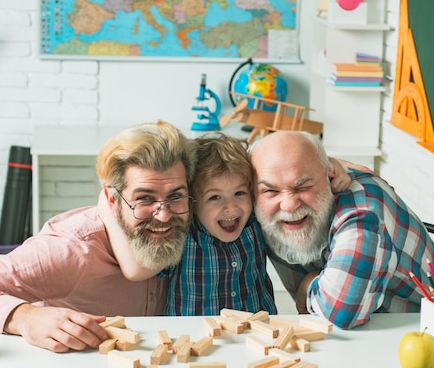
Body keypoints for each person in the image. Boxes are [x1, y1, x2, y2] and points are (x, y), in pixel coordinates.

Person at [0, 120, 197, 352]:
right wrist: (25, 318)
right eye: (144, 199)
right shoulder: (72, 250)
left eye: (175, 195)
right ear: (111, 199)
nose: (163, 216)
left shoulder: (191, 222)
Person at [100, 133, 353, 316]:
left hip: (258, 332)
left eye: (240, 194)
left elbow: (286, 167)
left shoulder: (255, 223)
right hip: (196, 341)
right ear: (193, 202)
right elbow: (139, 265)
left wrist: (332, 164)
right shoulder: (183, 234)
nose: (230, 208)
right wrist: (105, 201)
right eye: (214, 197)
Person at [249, 130, 434, 330]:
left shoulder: (364, 214)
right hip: (350, 335)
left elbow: (341, 314)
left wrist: (308, 285)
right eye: (270, 190)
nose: (289, 205)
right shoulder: (253, 204)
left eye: (302, 187)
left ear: (329, 176)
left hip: (421, 333)